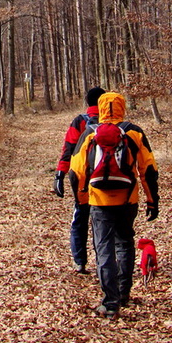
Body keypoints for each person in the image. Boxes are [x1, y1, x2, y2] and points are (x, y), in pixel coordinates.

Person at [69, 91, 160, 319]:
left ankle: (110, 303)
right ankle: (123, 294)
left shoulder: (90, 132)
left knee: (104, 249)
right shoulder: (133, 132)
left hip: (99, 201)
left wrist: (82, 200)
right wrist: (152, 200)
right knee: (124, 244)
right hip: (128, 199)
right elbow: (147, 169)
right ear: (122, 107)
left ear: (100, 109)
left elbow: (76, 171)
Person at [53, 86, 105, 274]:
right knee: (105, 222)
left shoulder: (81, 121)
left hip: (83, 180)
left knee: (80, 219)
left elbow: (68, 150)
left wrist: (60, 174)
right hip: (108, 182)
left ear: (88, 103)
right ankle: (105, 262)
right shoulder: (114, 123)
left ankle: (80, 261)